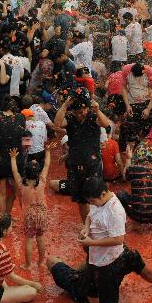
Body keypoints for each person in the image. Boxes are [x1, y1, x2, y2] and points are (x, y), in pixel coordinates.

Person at [78, 177, 126, 303]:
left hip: (109, 261)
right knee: (91, 291)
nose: (92, 203)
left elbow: (119, 239)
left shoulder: (115, 210)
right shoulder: (96, 201)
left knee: (109, 300)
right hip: (94, 256)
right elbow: (90, 217)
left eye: (93, 200)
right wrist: (85, 228)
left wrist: (92, 242)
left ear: (104, 193)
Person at [56, 90, 111, 221]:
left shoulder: (93, 116)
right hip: (75, 164)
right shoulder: (70, 118)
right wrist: (64, 105)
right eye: (79, 112)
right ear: (73, 111)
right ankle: (87, 226)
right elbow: (57, 123)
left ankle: (100, 223)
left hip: (93, 164)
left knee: (97, 195)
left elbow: (106, 124)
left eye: (84, 110)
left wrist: (97, 110)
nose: (82, 113)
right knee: (81, 199)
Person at [11, 147, 51, 269]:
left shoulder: (21, 183)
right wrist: (48, 152)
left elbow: (14, 171)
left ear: (25, 172)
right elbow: (47, 165)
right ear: (38, 173)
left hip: (30, 215)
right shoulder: (42, 180)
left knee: (29, 240)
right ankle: (41, 262)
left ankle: (28, 265)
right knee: (40, 238)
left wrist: (13, 158)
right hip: (42, 213)